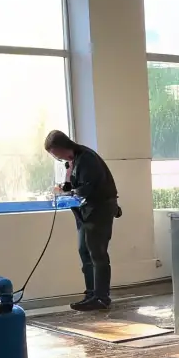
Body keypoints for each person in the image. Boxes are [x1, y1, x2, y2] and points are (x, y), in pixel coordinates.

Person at [44, 129, 120, 311]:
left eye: (55, 154)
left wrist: (68, 193)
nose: (57, 158)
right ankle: (91, 293)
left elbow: (87, 188)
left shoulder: (87, 158)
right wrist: (64, 187)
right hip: (84, 213)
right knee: (84, 251)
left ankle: (101, 297)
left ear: (62, 147)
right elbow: (74, 185)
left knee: (97, 253)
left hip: (99, 210)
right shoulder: (73, 161)